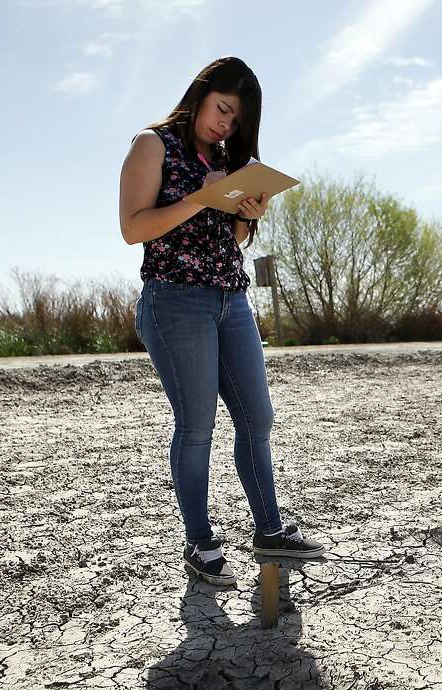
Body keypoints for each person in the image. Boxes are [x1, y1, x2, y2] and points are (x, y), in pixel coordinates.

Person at [119, 57, 326, 587]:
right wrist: (199, 197)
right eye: (222, 110)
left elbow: (224, 243)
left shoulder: (226, 158)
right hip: (174, 301)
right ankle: (200, 542)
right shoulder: (153, 144)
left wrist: (243, 214)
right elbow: (133, 227)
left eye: (235, 121)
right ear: (202, 92)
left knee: (257, 419)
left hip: (231, 301)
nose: (225, 125)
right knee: (197, 427)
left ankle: (270, 532)